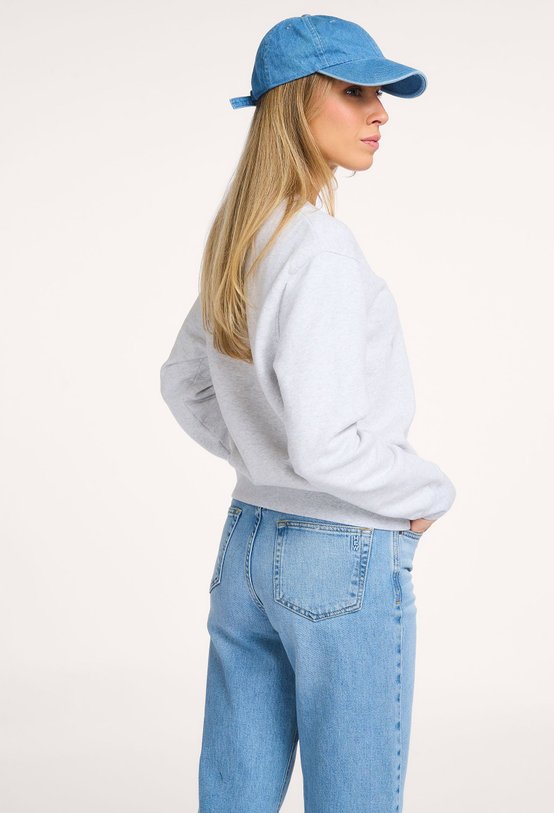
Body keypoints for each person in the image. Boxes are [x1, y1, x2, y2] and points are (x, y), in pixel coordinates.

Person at [159, 13, 456, 813]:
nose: (380, 112)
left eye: (380, 95)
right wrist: (429, 491)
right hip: (339, 554)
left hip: (249, 544)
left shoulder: (245, 239)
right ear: (296, 103)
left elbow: (183, 382)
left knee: (234, 796)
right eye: (355, 92)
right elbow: (326, 448)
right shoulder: (320, 251)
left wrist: (262, 459)